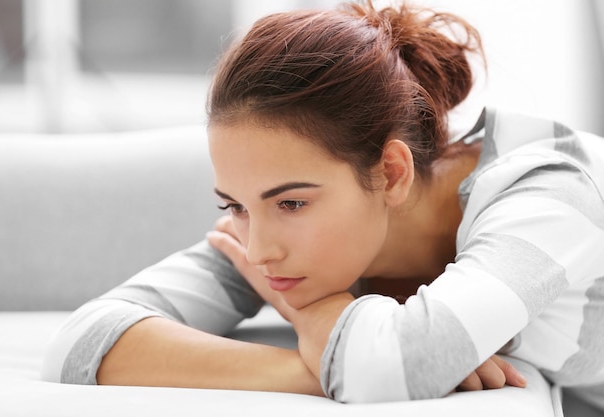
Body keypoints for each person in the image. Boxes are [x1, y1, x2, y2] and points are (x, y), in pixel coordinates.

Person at [41, 0, 604, 407]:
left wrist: (316, 321)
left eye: (289, 205)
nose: (257, 251)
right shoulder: (300, 240)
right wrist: (313, 364)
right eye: (235, 205)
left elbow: (397, 364)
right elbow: (83, 342)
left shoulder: (547, 194)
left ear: (390, 173)